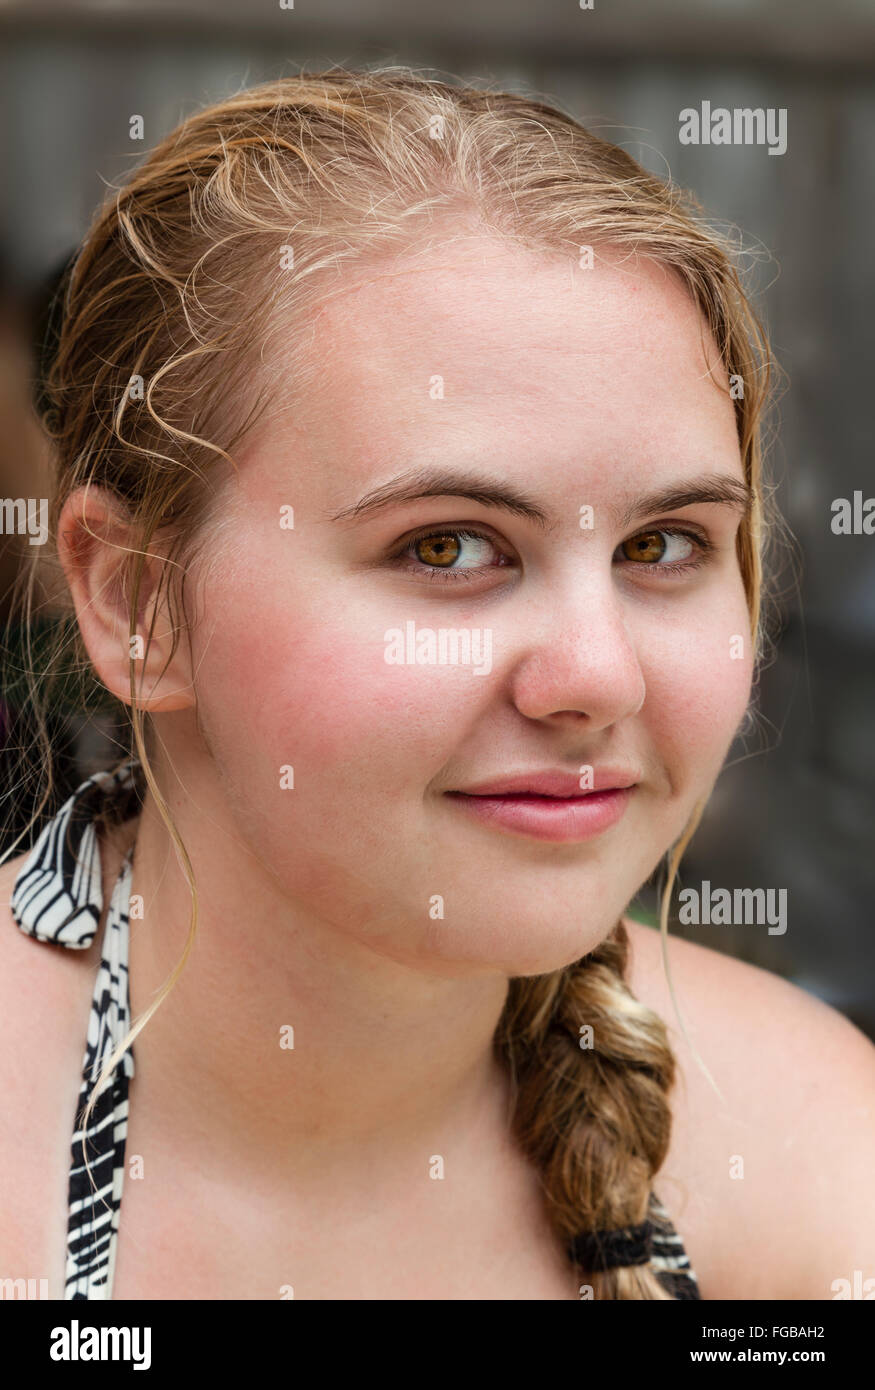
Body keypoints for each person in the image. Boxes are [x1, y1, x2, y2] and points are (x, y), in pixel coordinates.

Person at [1, 67, 872, 1301]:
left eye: (658, 545)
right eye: (447, 546)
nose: (593, 675)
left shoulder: (816, 1151)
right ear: (139, 602)